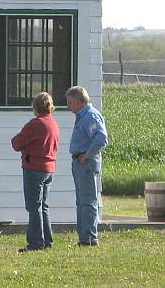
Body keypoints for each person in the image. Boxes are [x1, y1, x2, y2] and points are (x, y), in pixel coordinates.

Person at [11, 92, 60, 252]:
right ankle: (47, 240)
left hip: (34, 168)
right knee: (43, 206)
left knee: (33, 207)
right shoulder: (53, 123)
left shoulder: (35, 124)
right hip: (49, 168)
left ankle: (35, 242)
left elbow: (16, 143)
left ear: (36, 107)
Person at [66, 85, 108, 246]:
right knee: (81, 201)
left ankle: (90, 238)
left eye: (70, 102)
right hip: (79, 161)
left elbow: (101, 138)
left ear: (80, 101)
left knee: (88, 200)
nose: (68, 106)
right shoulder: (82, 116)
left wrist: (87, 154)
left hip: (86, 163)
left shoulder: (90, 116)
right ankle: (84, 237)